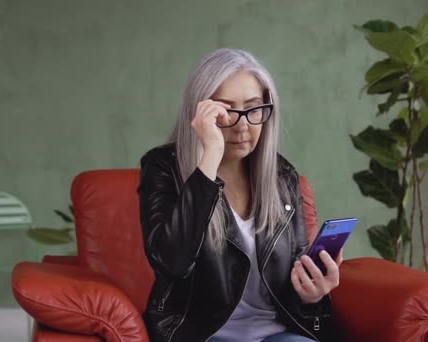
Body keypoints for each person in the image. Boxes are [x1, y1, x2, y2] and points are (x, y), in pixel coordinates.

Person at [137, 48, 342, 342]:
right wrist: (209, 158)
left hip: (277, 335)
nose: (243, 125)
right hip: (200, 336)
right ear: (200, 114)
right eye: (227, 111)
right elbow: (173, 262)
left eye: (254, 108)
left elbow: (313, 322)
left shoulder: (283, 177)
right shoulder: (163, 168)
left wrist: (315, 298)